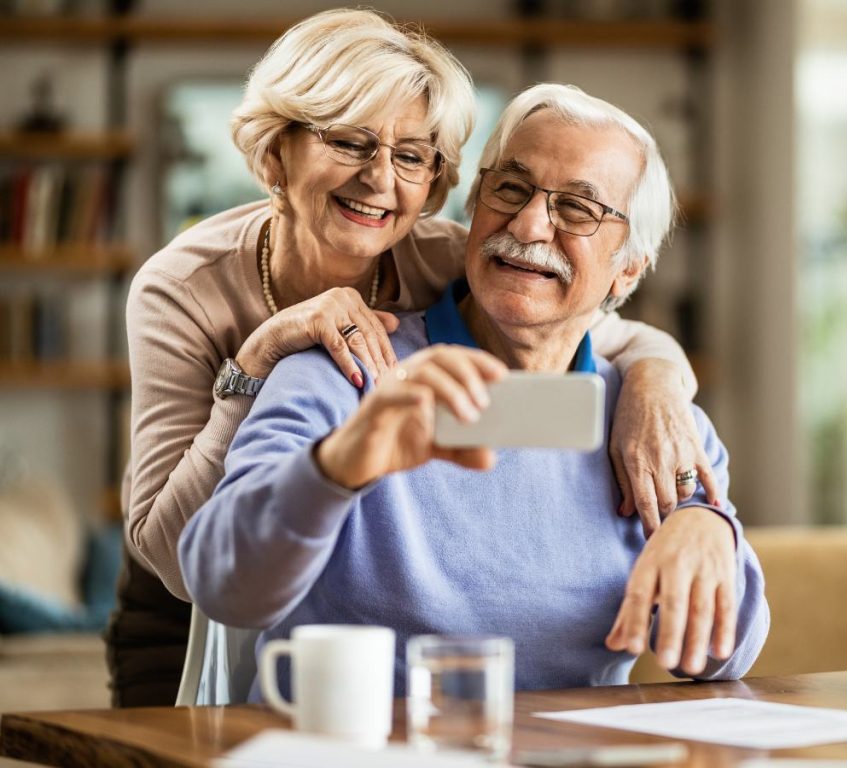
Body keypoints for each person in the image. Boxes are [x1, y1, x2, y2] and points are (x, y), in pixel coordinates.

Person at [105, 9, 716, 707]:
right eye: (349, 142)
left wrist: (658, 392)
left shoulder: (453, 257)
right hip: (182, 579)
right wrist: (257, 358)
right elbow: (176, 560)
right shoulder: (183, 286)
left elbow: (598, 327)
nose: (379, 179)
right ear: (275, 153)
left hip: (310, 581)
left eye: (411, 156)